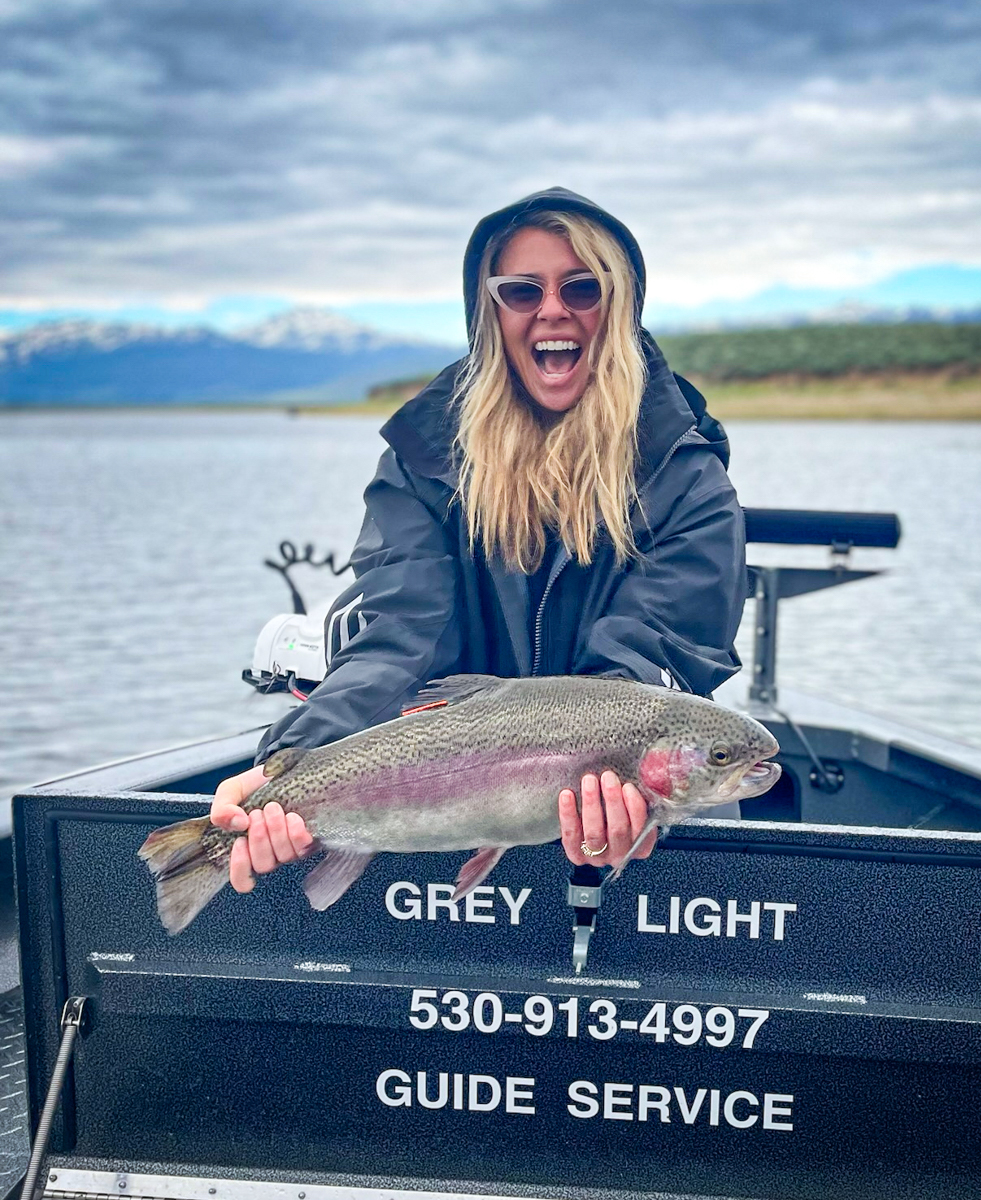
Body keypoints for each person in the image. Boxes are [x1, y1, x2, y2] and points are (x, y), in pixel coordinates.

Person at [210, 187, 748, 893]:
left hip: (639, 816)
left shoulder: (689, 477)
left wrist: (622, 783)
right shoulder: (427, 458)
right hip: (451, 802)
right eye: (522, 291)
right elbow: (401, 630)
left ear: (618, 306)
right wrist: (296, 758)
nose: (553, 309)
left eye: (582, 287)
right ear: (490, 311)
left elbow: (654, 654)